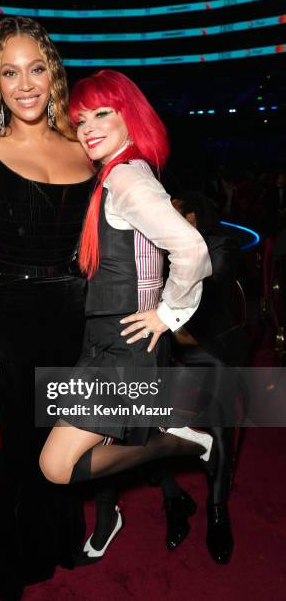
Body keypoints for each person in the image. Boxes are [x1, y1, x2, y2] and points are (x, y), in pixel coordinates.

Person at [0, 16, 96, 600]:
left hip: (74, 315)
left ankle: (58, 538)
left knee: (65, 435)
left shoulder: (83, 145)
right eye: (10, 72)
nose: (25, 83)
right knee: (21, 444)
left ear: (52, 72)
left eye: (36, 68)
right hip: (9, 317)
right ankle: (11, 555)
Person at [39, 70, 213, 558]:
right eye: (80, 119)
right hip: (107, 341)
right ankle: (109, 515)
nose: (88, 127)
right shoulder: (114, 174)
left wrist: (168, 313)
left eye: (102, 113)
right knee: (95, 442)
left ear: (129, 117)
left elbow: (192, 250)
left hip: (126, 347)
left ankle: (183, 441)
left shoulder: (128, 175)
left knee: (56, 464)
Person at [151, 192, 248, 565]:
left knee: (219, 424)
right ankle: (173, 497)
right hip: (165, 346)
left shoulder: (218, 244)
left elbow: (209, 294)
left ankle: (218, 508)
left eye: (173, 211)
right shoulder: (150, 246)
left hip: (211, 348)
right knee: (146, 421)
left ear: (191, 214)